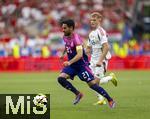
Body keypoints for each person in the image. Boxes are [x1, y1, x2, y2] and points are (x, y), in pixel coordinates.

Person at [57, 18, 116, 108]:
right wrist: (63, 54)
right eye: (62, 28)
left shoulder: (76, 39)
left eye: (65, 28)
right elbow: (67, 45)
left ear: (71, 28)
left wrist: (69, 62)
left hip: (81, 66)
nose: (63, 30)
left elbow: (80, 55)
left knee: (93, 85)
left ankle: (110, 99)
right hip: (72, 66)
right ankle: (78, 94)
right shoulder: (65, 37)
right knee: (61, 79)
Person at [86, 12, 118, 105]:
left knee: (95, 82)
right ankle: (101, 99)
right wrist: (84, 55)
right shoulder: (91, 33)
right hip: (92, 60)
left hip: (101, 60)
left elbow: (106, 47)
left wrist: (100, 60)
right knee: (90, 82)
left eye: (94, 20)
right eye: (91, 20)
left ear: (99, 20)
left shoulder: (101, 32)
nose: (92, 22)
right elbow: (88, 48)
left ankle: (110, 77)